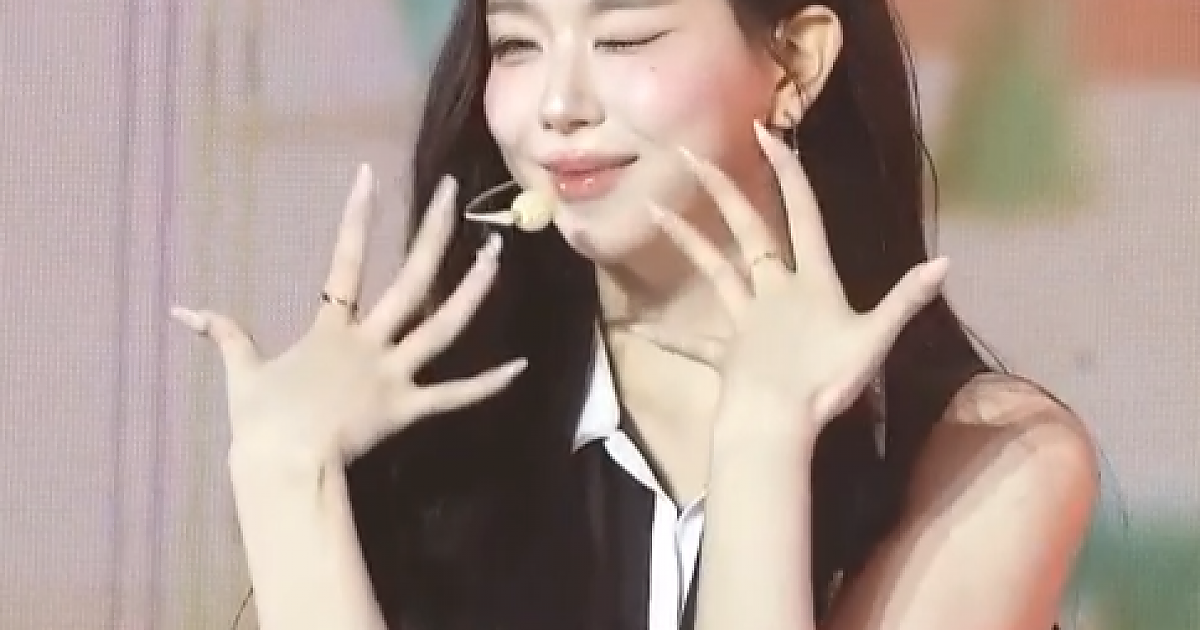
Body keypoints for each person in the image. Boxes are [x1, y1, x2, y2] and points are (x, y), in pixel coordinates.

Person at [172, 0, 1100, 628]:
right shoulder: (448, 445)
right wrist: (288, 482)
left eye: (623, 38)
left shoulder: (996, 459)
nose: (559, 106)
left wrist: (761, 444)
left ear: (795, 60)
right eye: (517, 44)